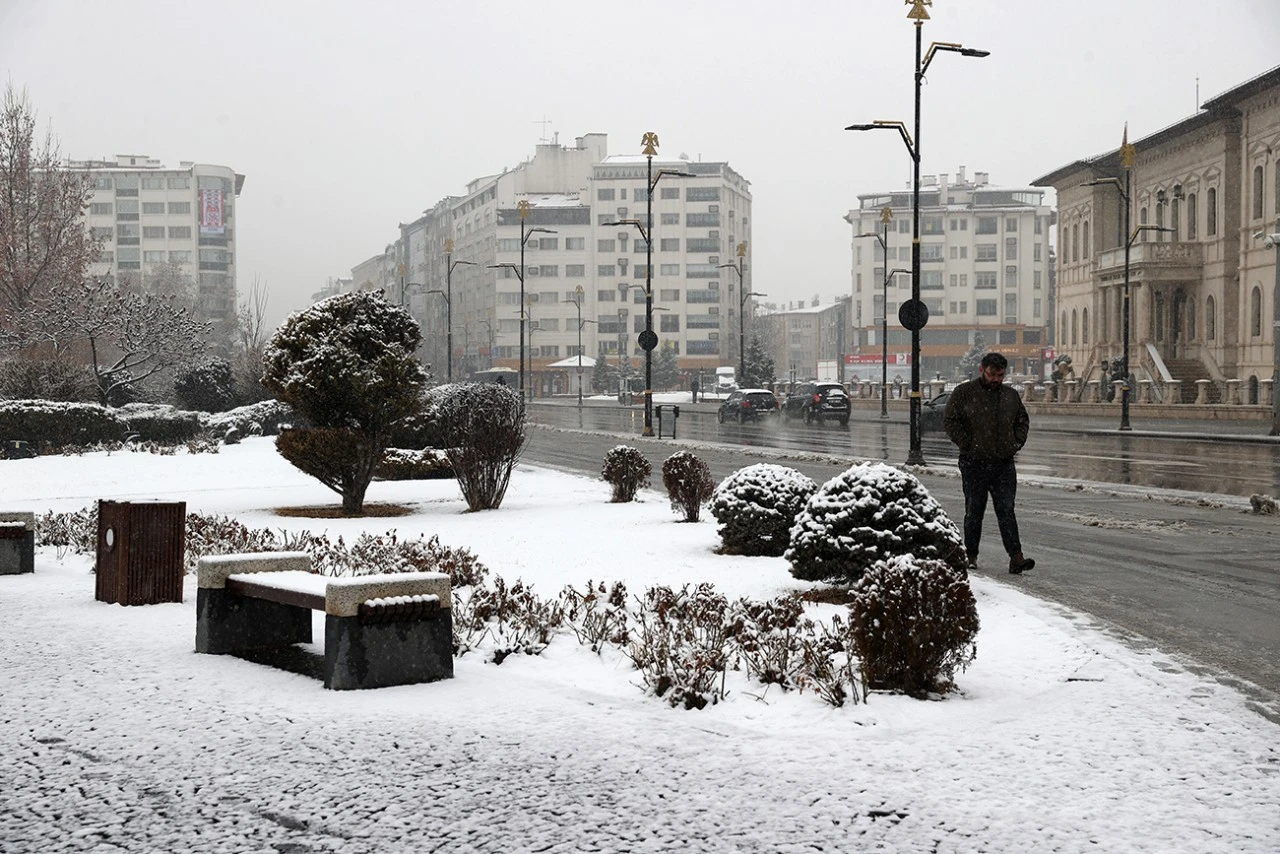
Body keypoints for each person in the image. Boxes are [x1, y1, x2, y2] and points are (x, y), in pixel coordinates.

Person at [943, 352, 1035, 575]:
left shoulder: (1010, 396)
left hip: (1003, 464)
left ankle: (1016, 557)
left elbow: (1022, 421)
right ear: (981, 370)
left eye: (1000, 375)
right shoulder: (965, 393)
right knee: (974, 511)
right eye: (992, 374)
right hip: (974, 463)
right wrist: (967, 443)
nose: (996, 379)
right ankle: (970, 554)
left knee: (1006, 511)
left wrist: (1015, 444)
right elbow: (949, 420)